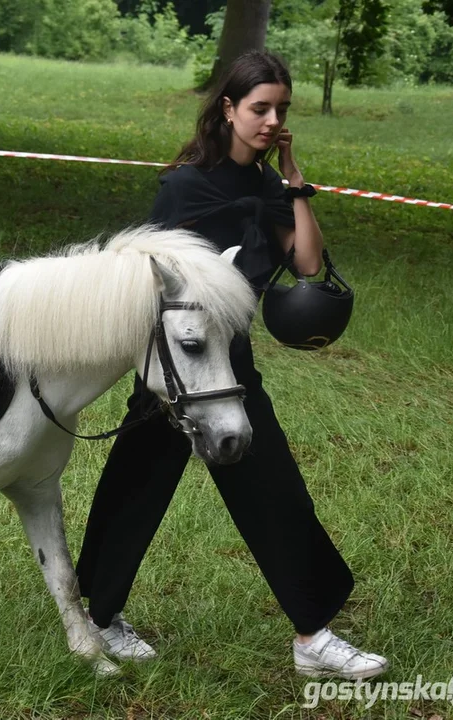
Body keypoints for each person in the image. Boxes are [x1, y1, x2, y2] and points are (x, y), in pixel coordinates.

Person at [74, 51, 388, 681]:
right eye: (259, 108)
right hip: (175, 369)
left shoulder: (270, 188)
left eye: (281, 110)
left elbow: (305, 264)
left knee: (275, 493)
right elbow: (149, 276)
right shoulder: (184, 186)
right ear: (228, 109)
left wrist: (295, 183)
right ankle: (98, 616)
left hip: (233, 369)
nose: (272, 120)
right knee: (135, 490)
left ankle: (311, 637)